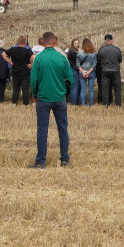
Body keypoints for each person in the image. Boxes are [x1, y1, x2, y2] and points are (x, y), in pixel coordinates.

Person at [31, 32, 74, 168]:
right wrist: (66, 94)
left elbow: (33, 80)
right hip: (59, 97)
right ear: (55, 42)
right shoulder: (62, 58)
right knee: (62, 128)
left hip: (43, 98)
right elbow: (70, 79)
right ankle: (65, 159)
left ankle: (41, 161)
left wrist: (35, 94)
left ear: (42, 42)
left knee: (42, 129)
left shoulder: (39, 58)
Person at [7, 35, 33, 105]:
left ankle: (14, 102)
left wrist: (9, 61)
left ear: (18, 41)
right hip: (25, 72)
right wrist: (31, 64)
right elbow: (33, 56)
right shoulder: (27, 50)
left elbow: (3, 54)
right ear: (25, 42)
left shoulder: (12, 49)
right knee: (25, 89)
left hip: (15, 71)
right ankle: (25, 103)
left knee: (16, 88)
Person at [96, 34, 122, 106]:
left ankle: (106, 104)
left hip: (105, 71)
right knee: (117, 89)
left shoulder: (101, 50)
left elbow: (99, 61)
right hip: (116, 70)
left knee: (105, 89)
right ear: (112, 40)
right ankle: (118, 105)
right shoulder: (117, 49)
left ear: (105, 41)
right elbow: (120, 60)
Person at [76, 38, 97, 106]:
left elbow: (77, 64)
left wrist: (83, 72)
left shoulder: (80, 52)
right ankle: (91, 105)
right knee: (91, 90)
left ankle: (83, 104)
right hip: (91, 72)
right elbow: (94, 64)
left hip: (82, 72)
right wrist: (88, 72)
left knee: (83, 90)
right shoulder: (93, 53)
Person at [65, 38, 81, 105]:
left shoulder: (76, 51)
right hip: (74, 69)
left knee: (78, 86)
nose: (76, 45)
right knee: (75, 86)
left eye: (77, 43)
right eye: (75, 43)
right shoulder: (72, 51)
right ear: (72, 44)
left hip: (76, 69)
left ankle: (76, 102)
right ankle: (73, 103)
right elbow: (76, 61)